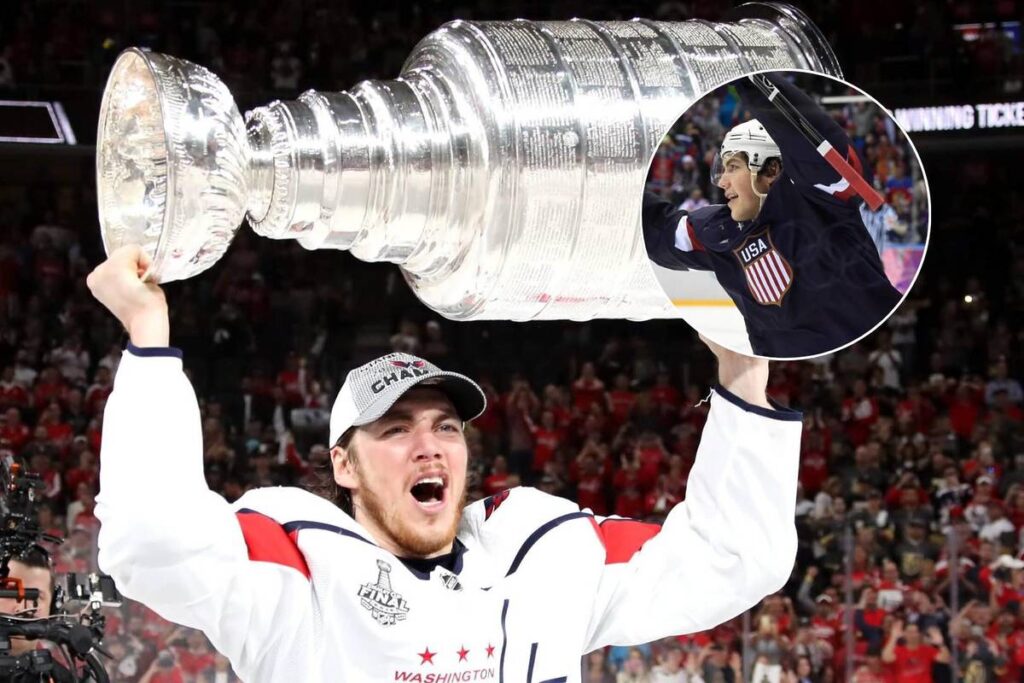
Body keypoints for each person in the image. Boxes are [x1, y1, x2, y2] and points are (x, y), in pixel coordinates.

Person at [89, 245, 803, 682]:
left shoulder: (540, 550)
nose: (429, 444)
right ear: (343, 464)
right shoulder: (296, 566)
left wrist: (743, 374)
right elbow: (149, 539)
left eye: (445, 425)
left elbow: (734, 558)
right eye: (395, 429)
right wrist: (149, 334)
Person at [644, 72, 903, 358]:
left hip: (863, 354)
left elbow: (816, 147)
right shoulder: (719, 232)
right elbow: (659, 230)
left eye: (732, 167)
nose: (721, 182)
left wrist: (747, 77)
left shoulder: (820, 201)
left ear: (770, 170)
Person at [0, 549, 74, 682]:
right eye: (11, 592)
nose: (22, 608)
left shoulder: (63, 679)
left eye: (35, 597)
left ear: (52, 609)